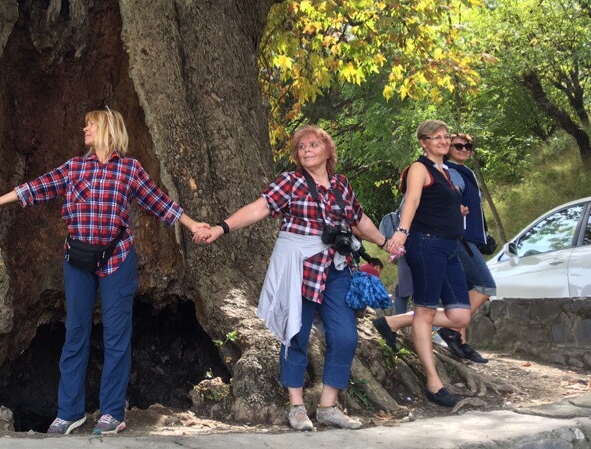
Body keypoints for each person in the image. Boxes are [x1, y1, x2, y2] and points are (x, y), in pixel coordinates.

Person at [0, 107, 208, 435]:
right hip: (78, 262)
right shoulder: (75, 167)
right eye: (85, 123)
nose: (84, 128)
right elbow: (35, 188)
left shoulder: (129, 169)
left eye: (91, 123)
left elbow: (160, 203)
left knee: (117, 336)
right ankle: (69, 412)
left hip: (117, 259)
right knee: (75, 334)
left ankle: (113, 412)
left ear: (108, 129)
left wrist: (192, 225)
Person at [194, 125, 388, 432]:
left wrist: (385, 242)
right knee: (295, 336)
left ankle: (328, 407)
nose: (307, 150)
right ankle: (297, 408)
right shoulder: (291, 182)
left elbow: (358, 220)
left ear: (327, 150)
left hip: (336, 270)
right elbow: (259, 209)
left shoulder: (341, 185)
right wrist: (221, 228)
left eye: (313, 144)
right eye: (301, 147)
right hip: (299, 270)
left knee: (346, 337)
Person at [373, 120, 471, 408]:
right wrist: (401, 233)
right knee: (426, 313)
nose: (442, 140)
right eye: (435, 137)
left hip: (449, 247)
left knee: (461, 316)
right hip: (426, 245)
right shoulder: (420, 168)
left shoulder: (446, 171)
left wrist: (456, 208)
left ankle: (392, 322)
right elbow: (412, 201)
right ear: (423, 143)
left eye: (445, 136)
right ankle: (433, 383)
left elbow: (435, 203)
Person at [440, 133, 495, 363]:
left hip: (468, 238)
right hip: (460, 239)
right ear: (448, 148)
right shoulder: (452, 172)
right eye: (458, 146)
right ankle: (449, 328)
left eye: (468, 146)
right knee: (485, 286)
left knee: (463, 293)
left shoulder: (465, 171)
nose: (464, 149)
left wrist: (484, 235)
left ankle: (460, 345)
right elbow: (447, 198)